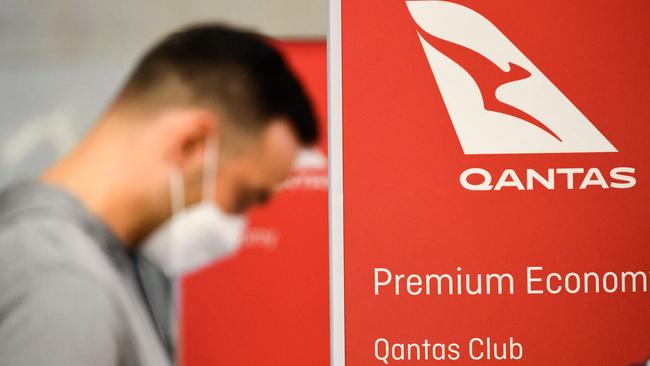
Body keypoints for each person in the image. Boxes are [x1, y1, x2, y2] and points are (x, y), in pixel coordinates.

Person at [0, 24, 318, 366]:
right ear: (192, 144)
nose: (237, 230)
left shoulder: (88, 259)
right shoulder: (64, 284)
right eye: (242, 198)